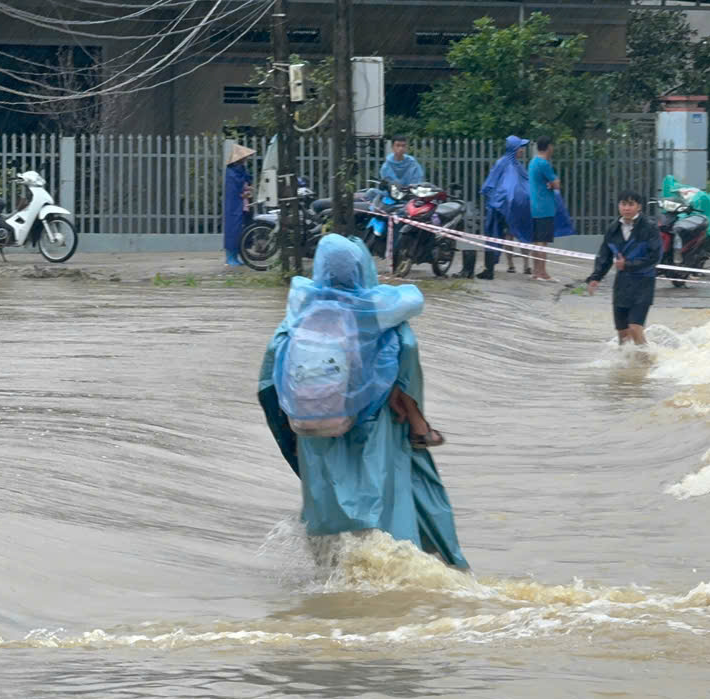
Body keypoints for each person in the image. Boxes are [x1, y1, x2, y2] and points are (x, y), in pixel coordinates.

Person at [256, 234, 467, 570]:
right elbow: (407, 354)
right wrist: (410, 410)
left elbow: (269, 380)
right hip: (374, 427)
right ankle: (418, 576)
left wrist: (291, 434)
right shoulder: (380, 315)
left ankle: (334, 581)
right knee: (386, 508)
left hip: (313, 432)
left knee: (328, 515)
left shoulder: (297, 319)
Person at [586, 190, 662, 346]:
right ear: (619, 206)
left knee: (635, 328)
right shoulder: (613, 229)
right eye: (623, 204)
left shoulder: (649, 227)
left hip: (643, 283)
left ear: (639, 207)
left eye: (631, 204)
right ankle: (625, 366)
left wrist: (627, 265)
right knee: (622, 333)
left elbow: (654, 257)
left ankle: (645, 361)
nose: (627, 208)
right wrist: (596, 277)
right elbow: (604, 256)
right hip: (621, 285)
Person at [464, 135, 530, 280]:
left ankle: (491, 269)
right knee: (494, 236)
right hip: (498, 207)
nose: (523, 150)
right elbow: (491, 183)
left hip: (510, 208)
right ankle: (489, 269)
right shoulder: (503, 163)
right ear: (514, 148)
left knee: (507, 235)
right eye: (520, 147)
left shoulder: (516, 166)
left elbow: (524, 184)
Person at [528, 136, 560, 282]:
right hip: (545, 206)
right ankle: (542, 272)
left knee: (536, 240)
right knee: (543, 241)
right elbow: (557, 183)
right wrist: (552, 183)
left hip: (535, 205)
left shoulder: (533, 162)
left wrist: (549, 184)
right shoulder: (544, 164)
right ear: (548, 147)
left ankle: (536, 271)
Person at [222, 143, 254, 267]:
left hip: (241, 203)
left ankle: (235, 256)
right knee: (232, 230)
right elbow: (234, 188)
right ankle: (230, 257)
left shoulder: (241, 170)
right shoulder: (231, 172)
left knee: (239, 231)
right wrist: (243, 193)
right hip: (233, 204)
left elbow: (246, 180)